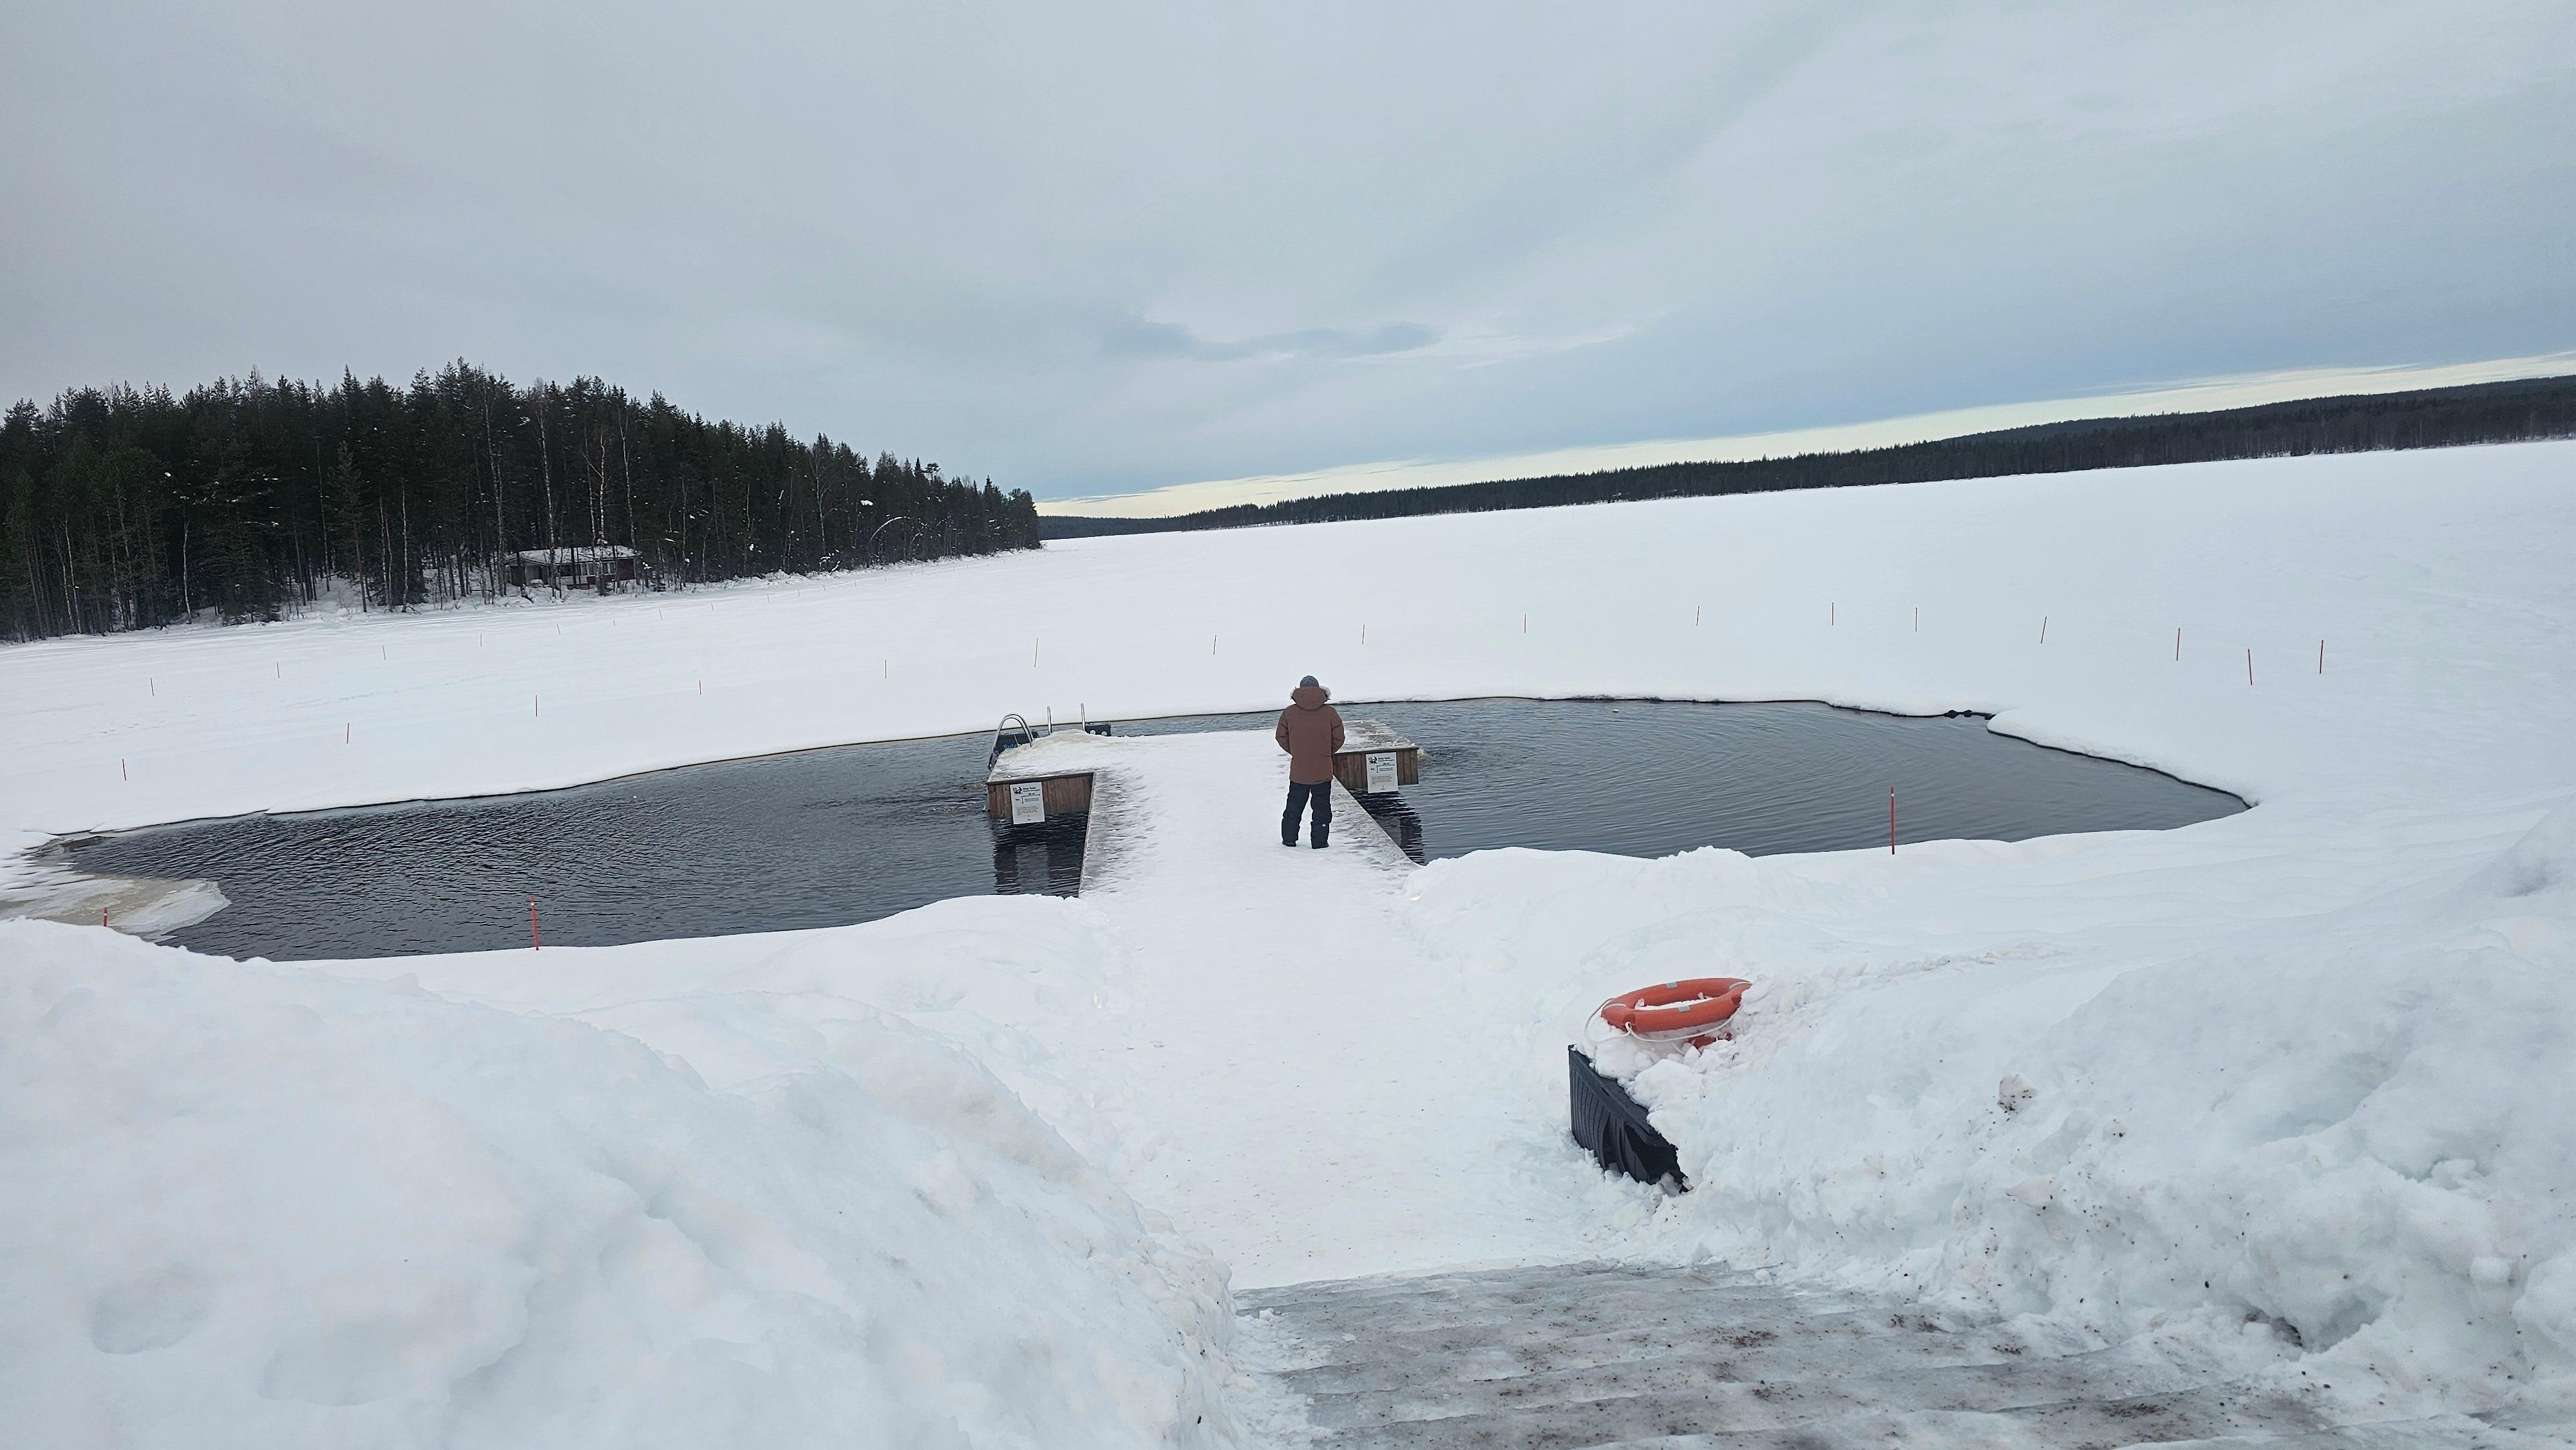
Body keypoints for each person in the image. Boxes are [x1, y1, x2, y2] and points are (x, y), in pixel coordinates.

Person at [1275, 674, 1345, 848]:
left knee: (1294, 806)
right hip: (1323, 770)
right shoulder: (1330, 713)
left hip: (1299, 770)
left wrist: (1297, 752)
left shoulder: (1289, 713)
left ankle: (1289, 840)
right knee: (1321, 807)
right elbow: (1339, 738)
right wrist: (1325, 753)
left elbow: (1281, 737)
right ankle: (1319, 842)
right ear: (1320, 690)